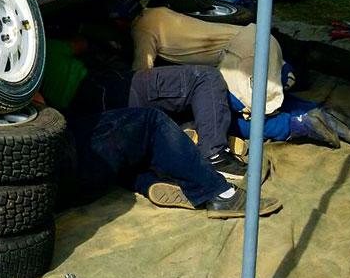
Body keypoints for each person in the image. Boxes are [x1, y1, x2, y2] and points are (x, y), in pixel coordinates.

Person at [38, 41, 281, 218]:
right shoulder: (40, 46)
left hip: (71, 172)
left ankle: (149, 179)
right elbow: (77, 47)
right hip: (97, 90)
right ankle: (217, 177)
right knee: (198, 83)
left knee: (128, 139)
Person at [130, 4, 350, 148]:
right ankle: (316, 111)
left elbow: (141, 79)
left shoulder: (142, 27)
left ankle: (298, 125)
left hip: (241, 57)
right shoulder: (157, 11)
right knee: (265, 99)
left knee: (214, 114)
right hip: (259, 38)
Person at [43, 38, 246, 180]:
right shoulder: (45, 47)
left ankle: (189, 137)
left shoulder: (25, 85)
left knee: (168, 117)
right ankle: (215, 155)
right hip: (104, 87)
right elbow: (81, 44)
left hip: (89, 115)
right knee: (204, 78)